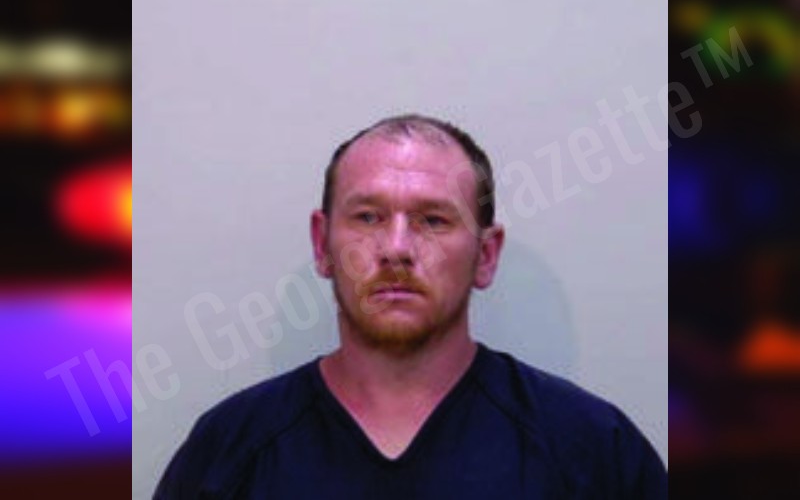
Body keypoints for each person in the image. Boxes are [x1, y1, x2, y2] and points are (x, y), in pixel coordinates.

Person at [154, 114, 667, 499]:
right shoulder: (228, 454)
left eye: (433, 220)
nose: (396, 248)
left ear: (486, 255)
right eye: (368, 217)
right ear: (321, 245)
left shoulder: (593, 452)